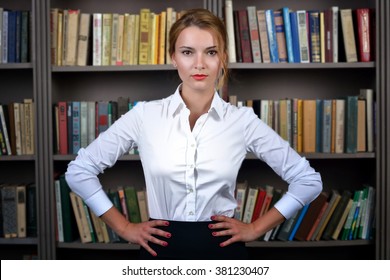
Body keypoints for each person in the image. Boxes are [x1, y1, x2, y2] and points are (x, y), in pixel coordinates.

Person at [65, 8, 322, 260]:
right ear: (174, 58)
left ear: (222, 57)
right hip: (159, 252)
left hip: (224, 253)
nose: (199, 64)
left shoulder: (242, 121)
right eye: (187, 52)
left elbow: (308, 181)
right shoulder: (144, 116)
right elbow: (79, 171)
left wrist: (255, 228)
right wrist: (123, 227)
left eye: (210, 52)